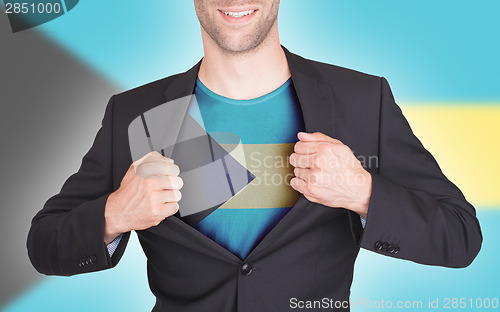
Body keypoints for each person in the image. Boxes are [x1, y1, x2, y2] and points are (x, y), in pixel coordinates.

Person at [27, 0, 483, 311]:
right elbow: (44, 245)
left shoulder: (363, 101)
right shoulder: (137, 113)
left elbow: (460, 237)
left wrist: (363, 191)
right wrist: (114, 214)